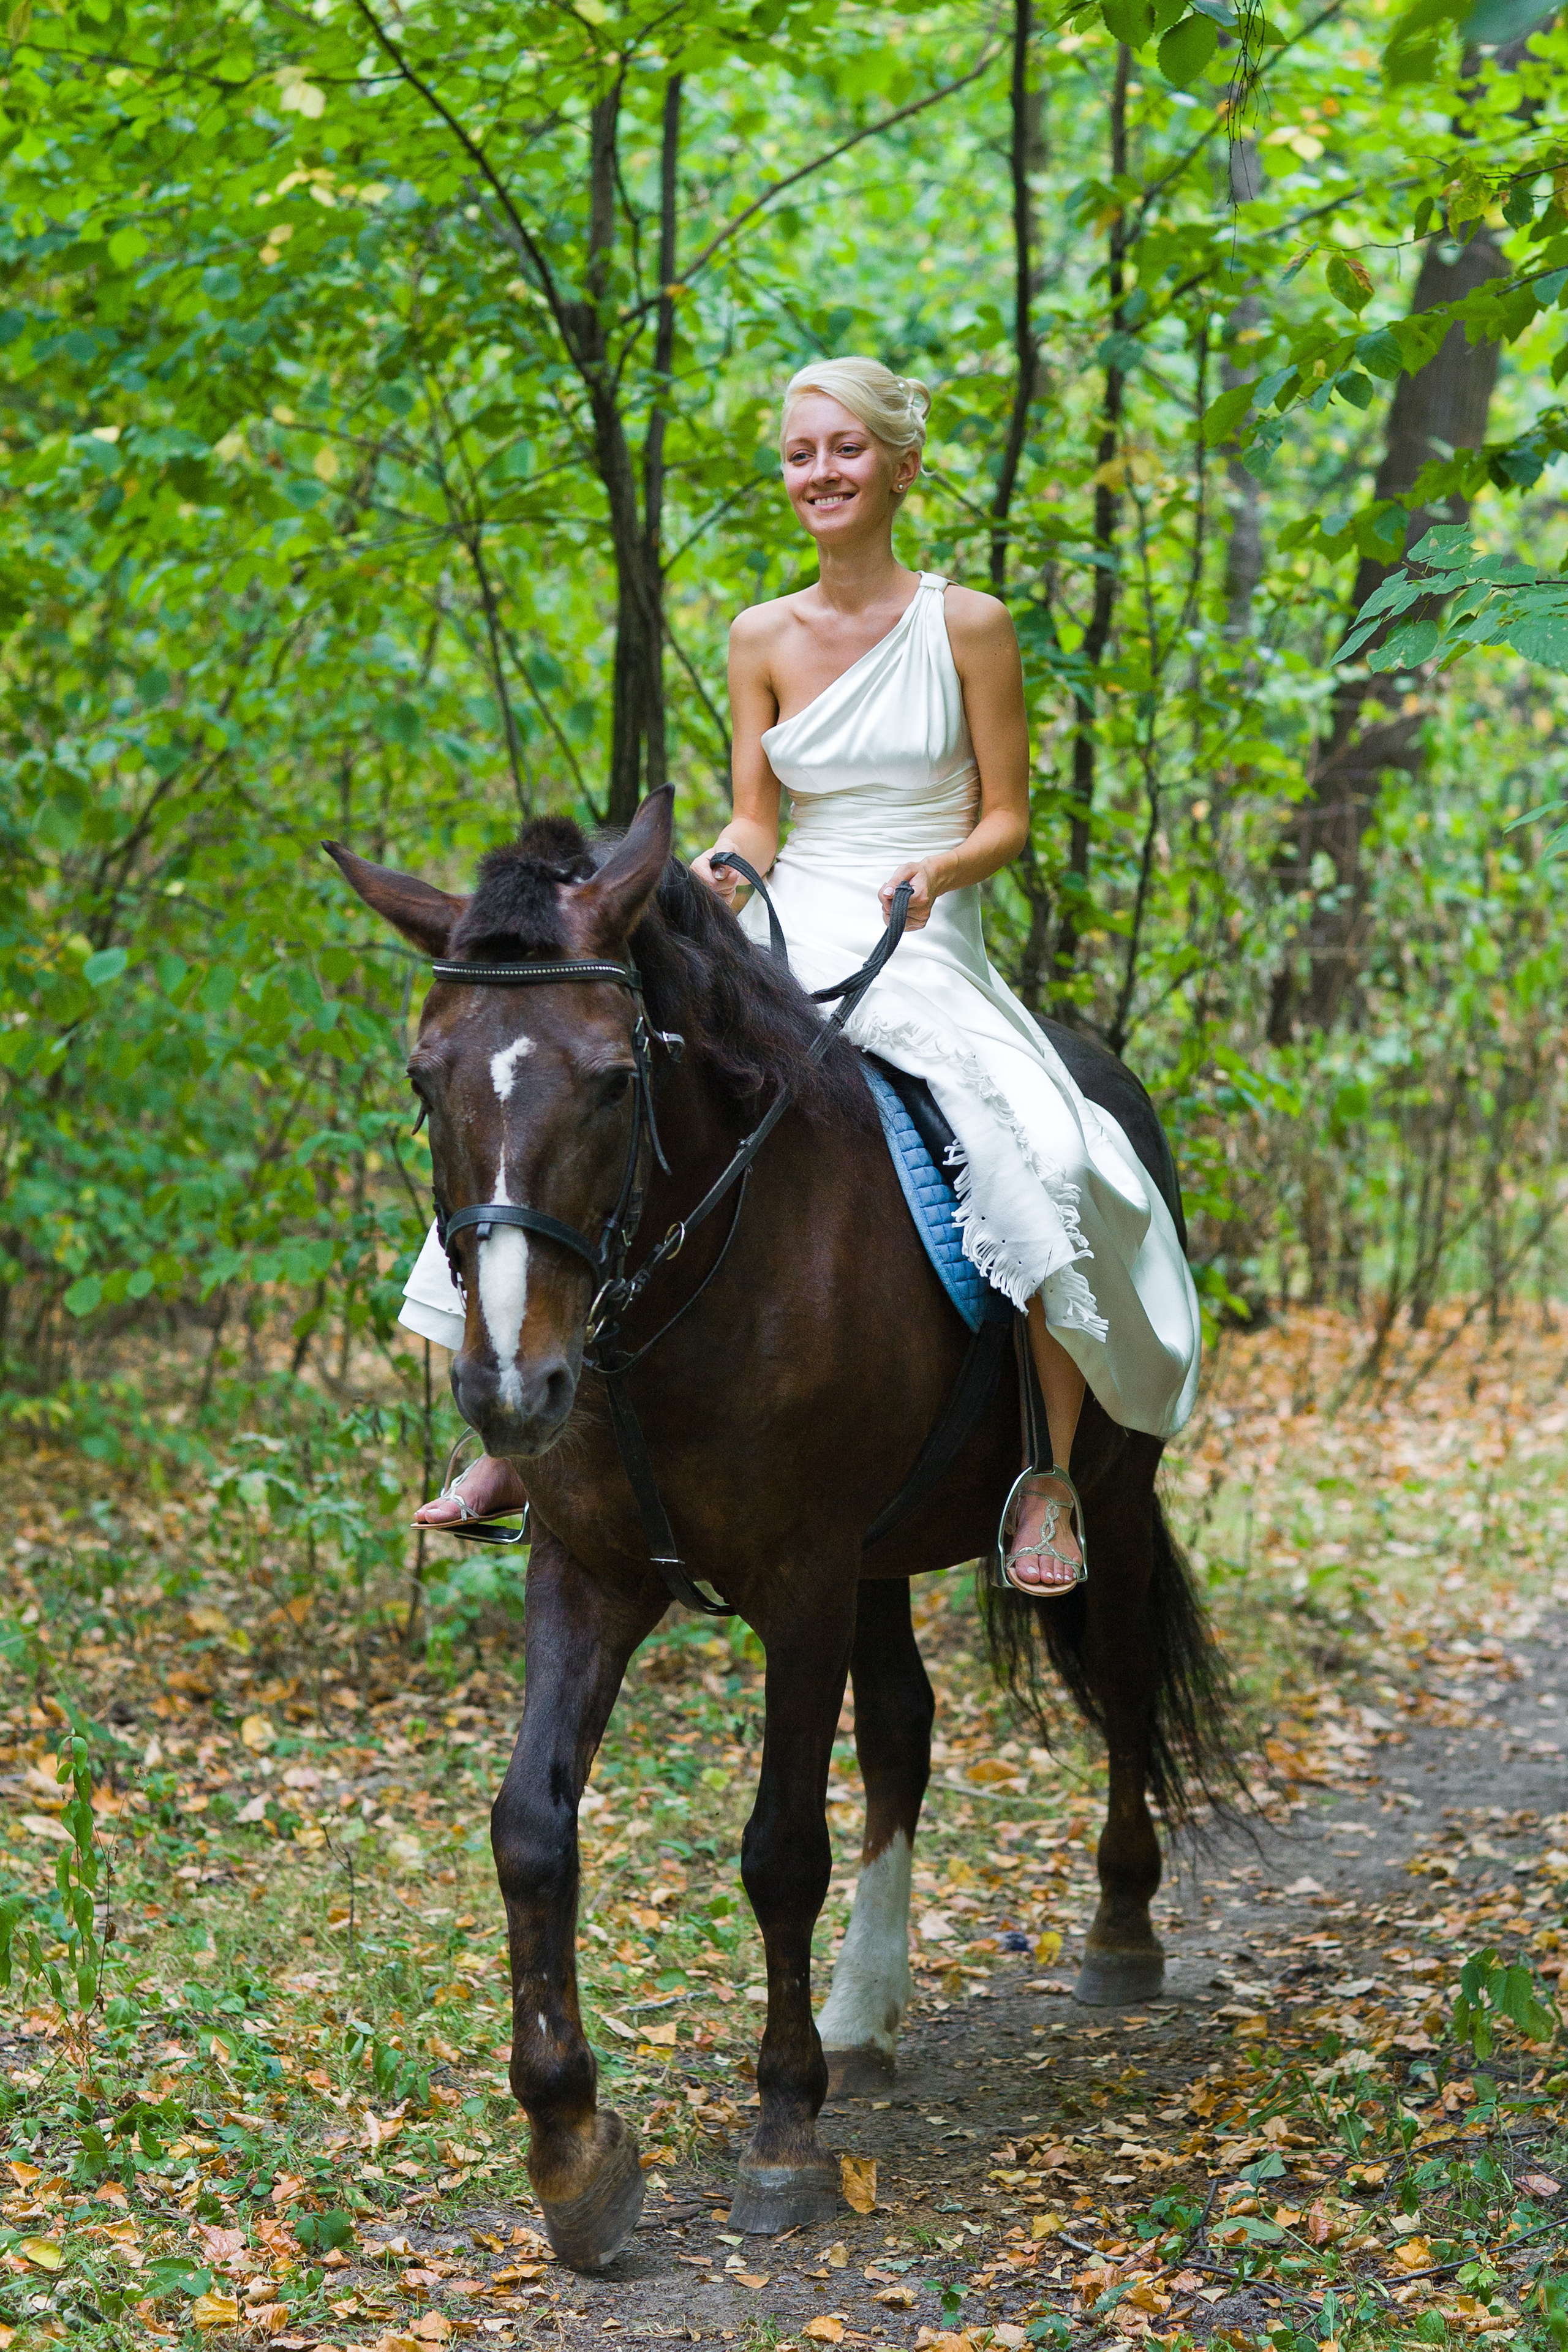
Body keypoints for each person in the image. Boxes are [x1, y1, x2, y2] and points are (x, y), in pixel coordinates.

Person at [407, 356, 1200, 1593]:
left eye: (842, 450)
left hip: (918, 925)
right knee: (542, 1101)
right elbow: (756, 817)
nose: (818, 474)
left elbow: (1008, 819)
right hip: (783, 921)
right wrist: (720, 873)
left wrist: (939, 872)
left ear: (899, 465)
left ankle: (1045, 1470)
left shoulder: (967, 626)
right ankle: (515, 1434)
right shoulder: (758, 633)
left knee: (1043, 1153)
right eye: (799, 454)